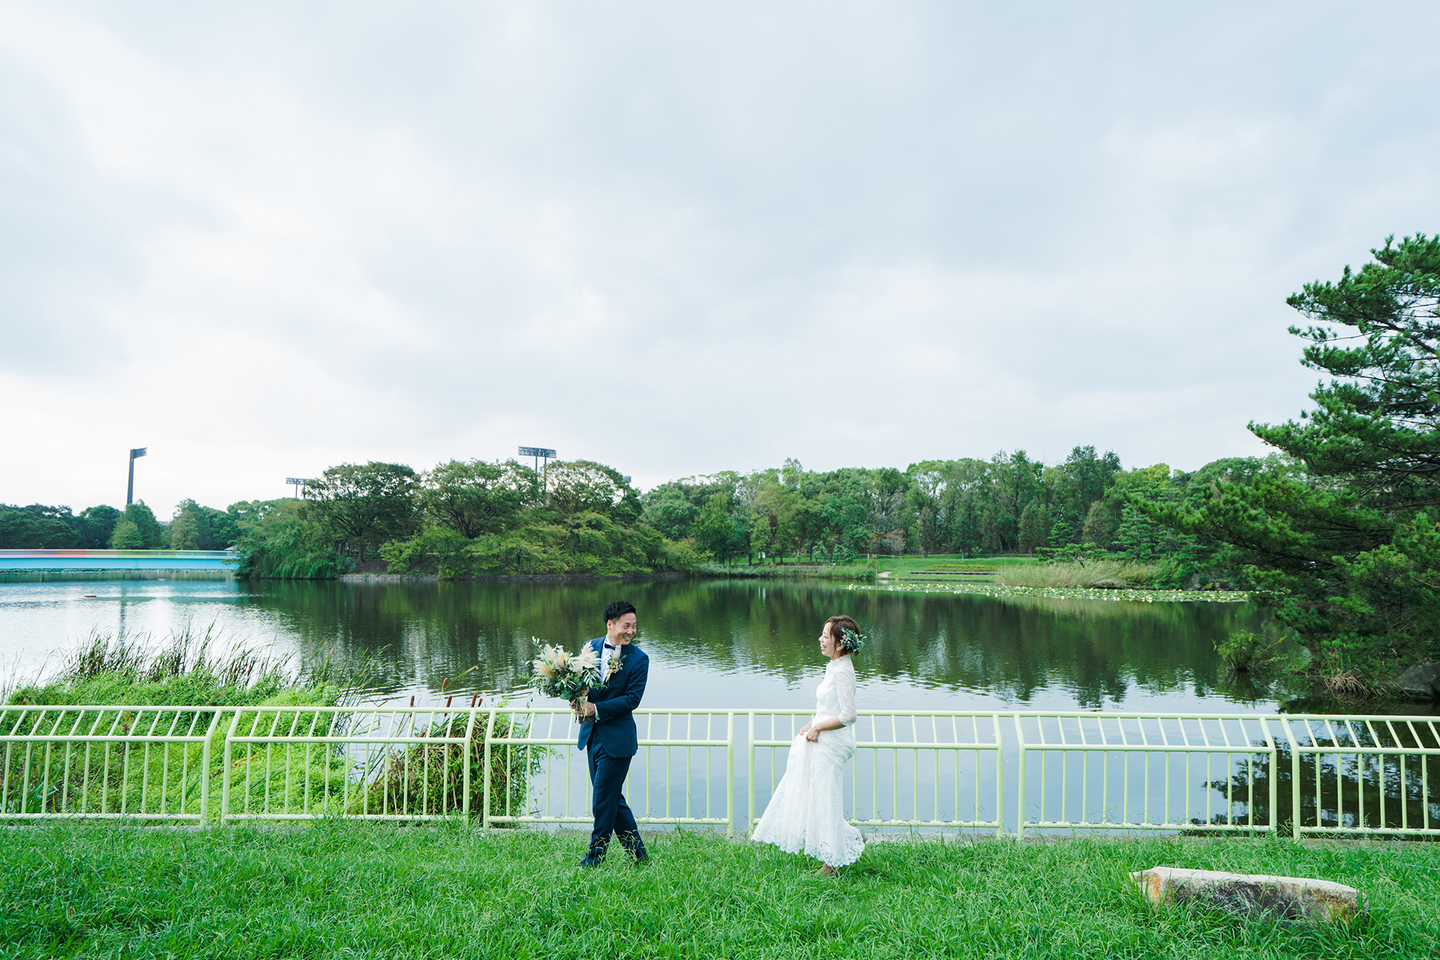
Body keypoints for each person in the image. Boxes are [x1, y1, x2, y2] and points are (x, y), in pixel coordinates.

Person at [751, 614, 865, 874]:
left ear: (840, 643)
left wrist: (819, 728)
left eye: (826, 636)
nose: (820, 640)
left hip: (832, 745)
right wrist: (811, 722)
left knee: (826, 800)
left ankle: (832, 864)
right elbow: (828, 706)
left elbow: (849, 715)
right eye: (822, 635)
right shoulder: (833, 666)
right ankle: (850, 837)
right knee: (816, 798)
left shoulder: (843, 671)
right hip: (822, 739)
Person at [574, 599, 650, 867]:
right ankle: (638, 856)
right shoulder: (590, 647)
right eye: (626, 626)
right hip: (591, 734)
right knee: (611, 798)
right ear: (610, 624)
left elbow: (632, 699)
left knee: (603, 799)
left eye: (634, 626)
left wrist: (596, 709)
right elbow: (579, 684)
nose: (631, 631)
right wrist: (576, 699)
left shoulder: (639, 659)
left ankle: (595, 858)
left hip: (618, 739)